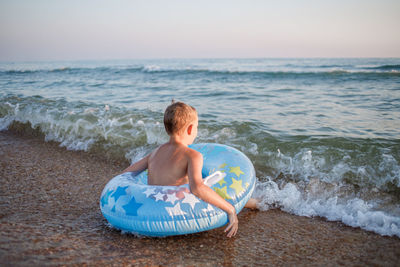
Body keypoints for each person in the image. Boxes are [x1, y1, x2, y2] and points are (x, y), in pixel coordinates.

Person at [122, 101, 257, 238]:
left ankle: (257, 203)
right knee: (216, 190)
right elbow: (197, 188)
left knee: (201, 182)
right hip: (174, 208)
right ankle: (258, 204)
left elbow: (126, 174)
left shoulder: (156, 152)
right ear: (190, 129)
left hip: (151, 204)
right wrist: (230, 210)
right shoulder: (192, 155)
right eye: (197, 127)